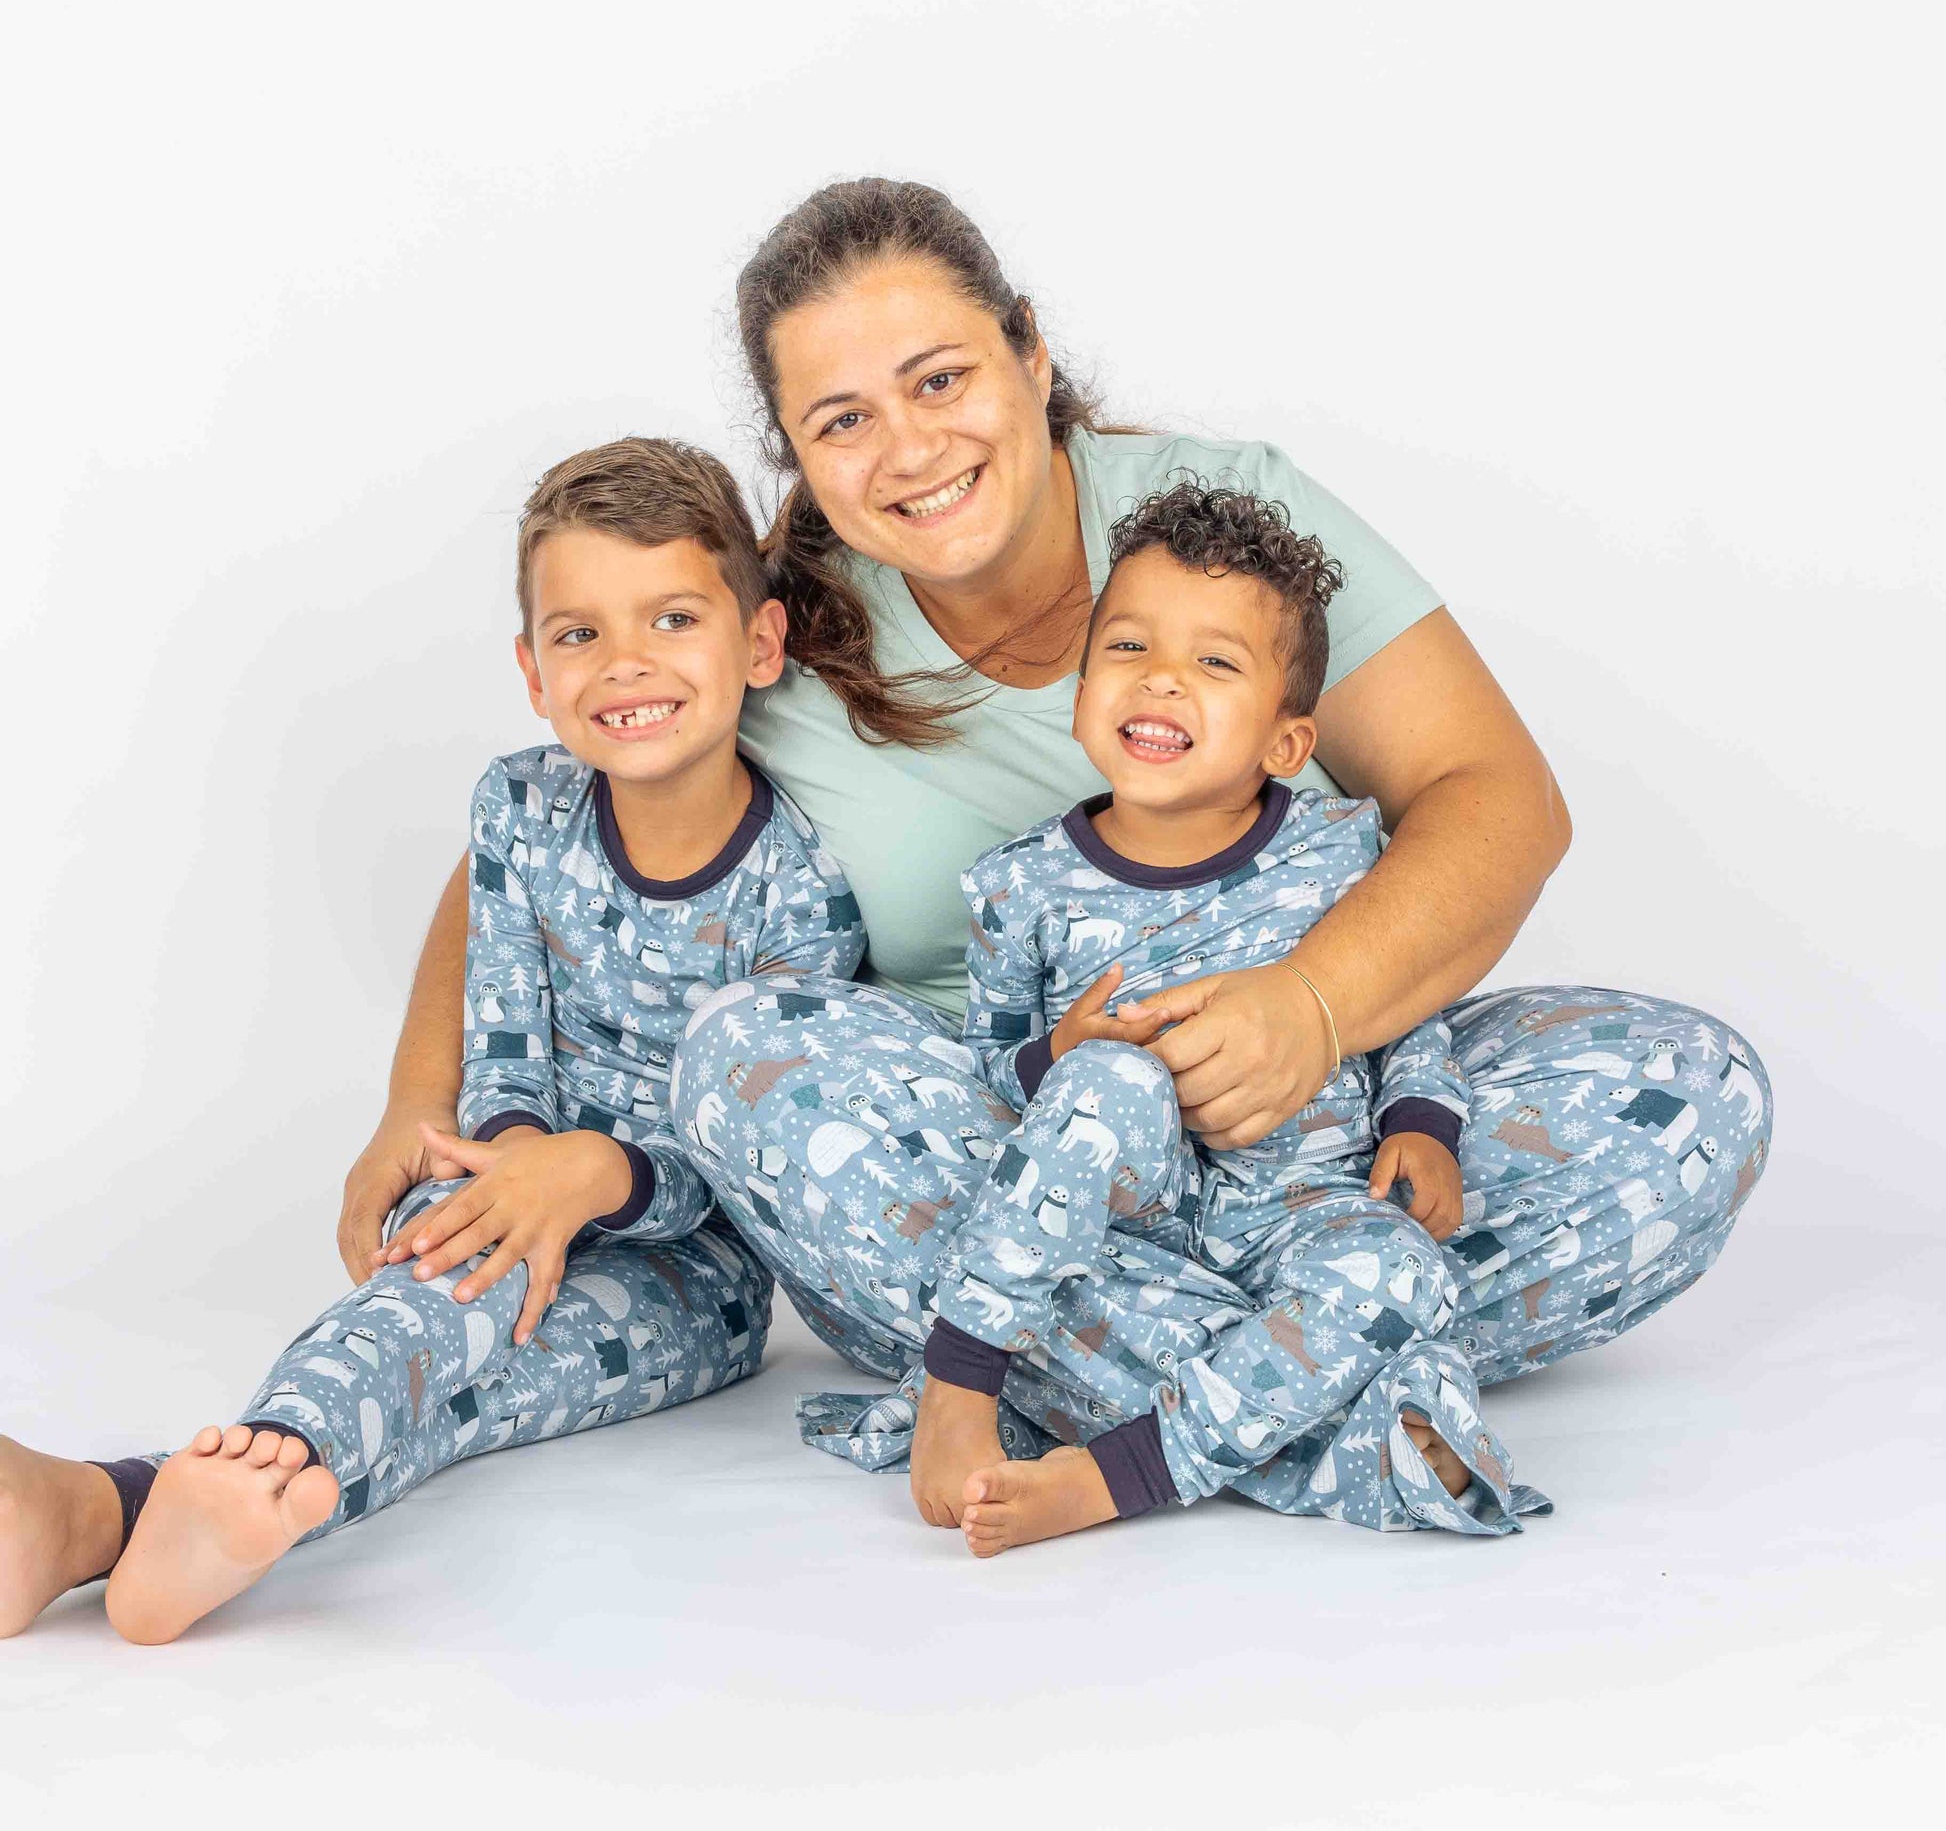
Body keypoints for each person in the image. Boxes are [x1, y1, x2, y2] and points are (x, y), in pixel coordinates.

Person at [337, 174, 1768, 1542]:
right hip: (996, 1161)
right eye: (839, 418)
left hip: (1315, 1127)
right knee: (745, 1059)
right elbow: (544, 831)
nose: (905, 448)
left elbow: (1499, 795)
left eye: (939, 378)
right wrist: (422, 1097)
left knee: (1693, 1095)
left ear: (1028, 352)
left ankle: (1107, 1378)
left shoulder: (1226, 528)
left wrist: (1314, 1007)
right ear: (795, 453)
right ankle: (1325, 1380)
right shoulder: (791, 628)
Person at [0, 438, 861, 1642]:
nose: (625, 664)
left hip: (696, 1272)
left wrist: (590, 1176)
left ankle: (115, 1503)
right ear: (530, 669)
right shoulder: (517, 807)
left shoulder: (803, 891)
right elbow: (502, 1043)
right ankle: (160, 1510)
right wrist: (509, 1170)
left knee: (473, 1352)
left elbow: (759, 1147)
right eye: (577, 634)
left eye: (671, 617)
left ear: (759, 642)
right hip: (506, 1188)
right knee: (451, 1321)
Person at [905, 477, 1528, 1550]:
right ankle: (962, 1375)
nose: (1161, 682)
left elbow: (1401, 1007)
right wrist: (1057, 1053)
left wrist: (1423, 1121)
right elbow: (991, 1068)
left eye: (1214, 663)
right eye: (1130, 649)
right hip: (1128, 1219)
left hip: (1303, 1200)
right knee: (1108, 1080)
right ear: (1079, 693)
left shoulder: (1336, 850)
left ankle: (1117, 1471)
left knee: (1401, 1271)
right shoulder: (1020, 884)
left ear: (1286, 743)